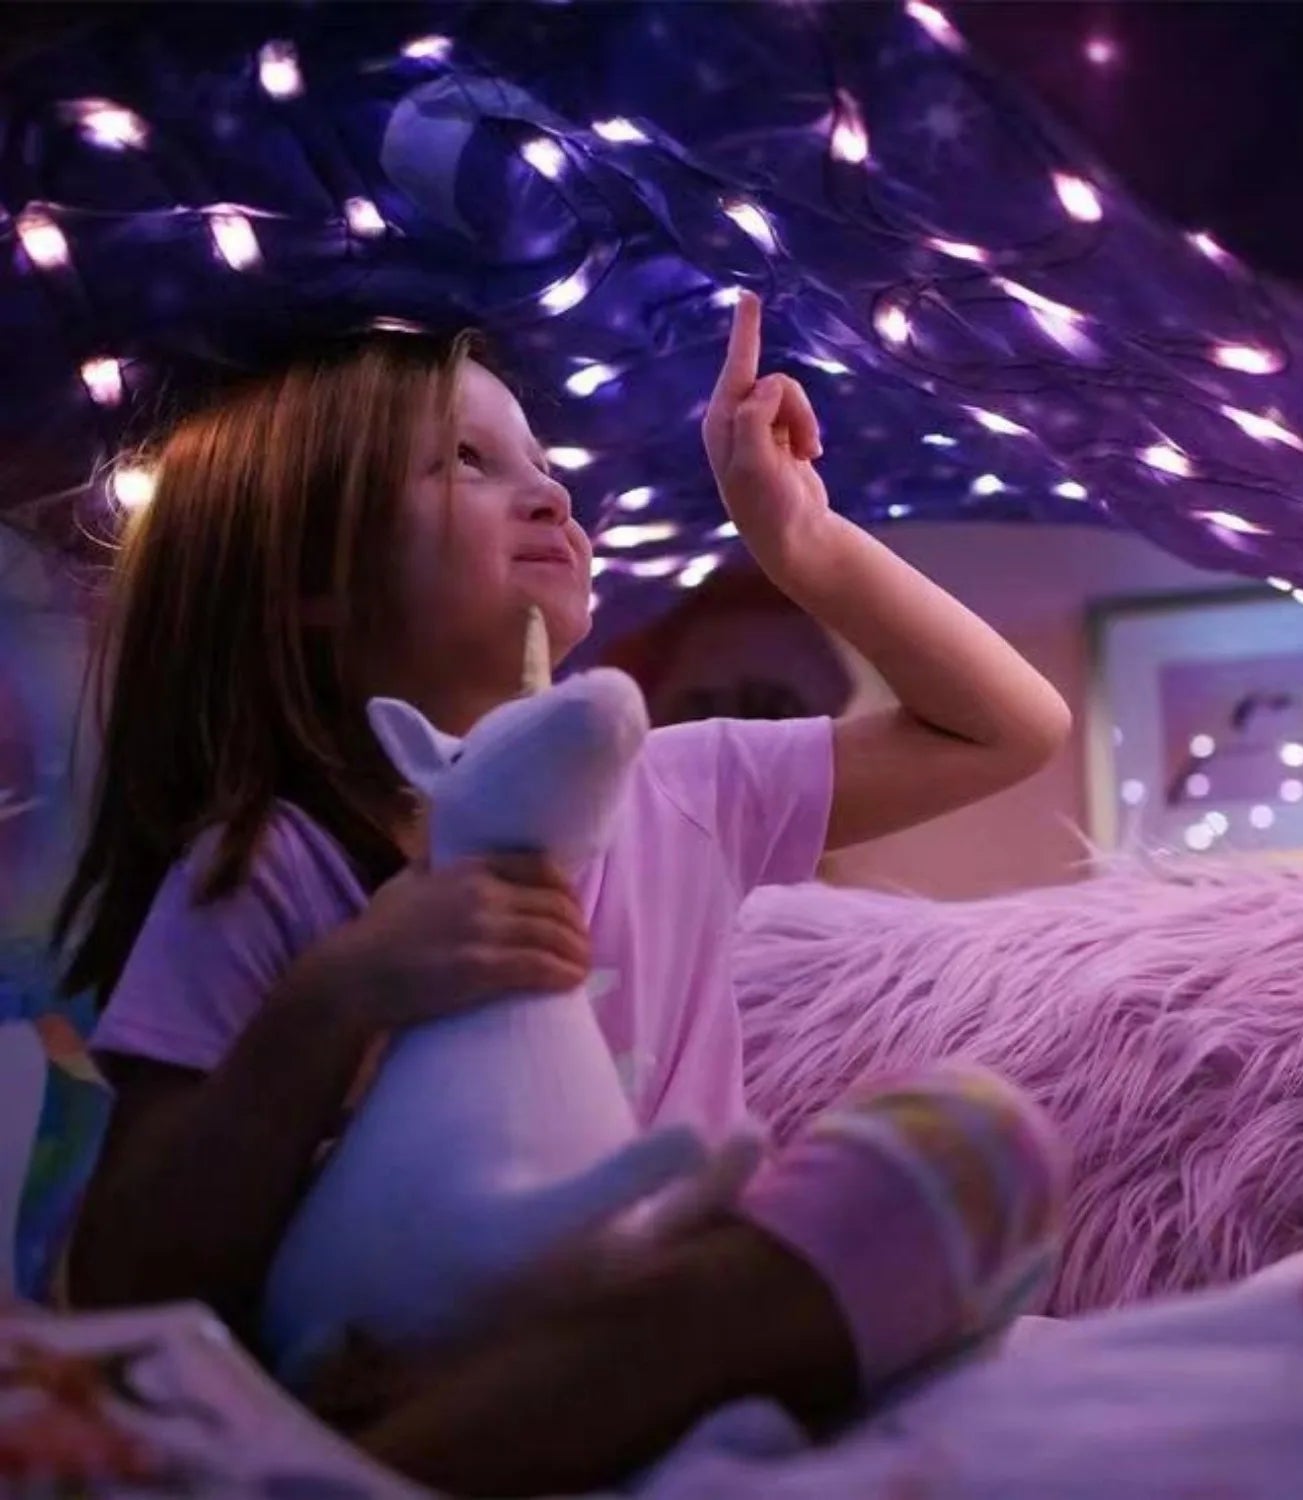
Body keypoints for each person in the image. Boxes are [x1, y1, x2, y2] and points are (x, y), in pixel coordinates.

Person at [56, 292, 1071, 1494]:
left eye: (544, 461)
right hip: (391, 1353)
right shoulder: (269, 863)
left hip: (652, 1314)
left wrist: (802, 543)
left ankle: (422, 1461)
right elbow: (124, 1284)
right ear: (309, 577)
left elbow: (1009, 728)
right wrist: (336, 999)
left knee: (977, 1148)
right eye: (467, 465)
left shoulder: (681, 785)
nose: (550, 494)